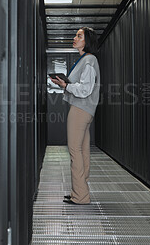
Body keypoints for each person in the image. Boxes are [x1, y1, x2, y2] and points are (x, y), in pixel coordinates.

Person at [50, 27, 100, 205]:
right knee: (83, 150)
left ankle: (80, 196)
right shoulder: (86, 60)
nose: (75, 38)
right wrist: (64, 84)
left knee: (74, 150)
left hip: (80, 110)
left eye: (79, 36)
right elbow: (80, 86)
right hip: (85, 110)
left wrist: (66, 86)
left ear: (87, 41)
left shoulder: (88, 60)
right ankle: (80, 191)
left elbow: (85, 89)